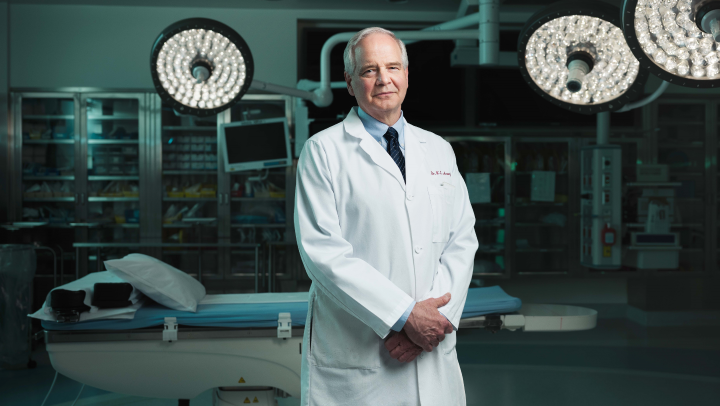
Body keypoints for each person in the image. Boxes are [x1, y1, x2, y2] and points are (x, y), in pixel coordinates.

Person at [294, 26, 478, 406]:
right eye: (368, 70)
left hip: (430, 347)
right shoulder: (323, 151)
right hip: (363, 352)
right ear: (349, 81)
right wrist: (403, 317)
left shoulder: (439, 149)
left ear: (406, 75)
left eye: (393, 67)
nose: (383, 79)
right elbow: (323, 253)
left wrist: (433, 324)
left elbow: (462, 241)